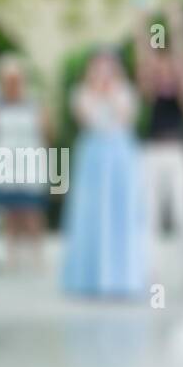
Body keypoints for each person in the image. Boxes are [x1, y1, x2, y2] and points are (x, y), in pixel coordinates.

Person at [60, 51, 147, 298]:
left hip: (119, 155)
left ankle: (122, 276)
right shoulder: (81, 92)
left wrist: (111, 94)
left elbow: (125, 119)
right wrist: (98, 92)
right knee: (91, 212)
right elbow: (86, 119)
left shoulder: (125, 91)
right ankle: (89, 277)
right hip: (93, 155)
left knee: (121, 212)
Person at [134, 0, 183, 287]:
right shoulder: (150, 87)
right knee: (151, 215)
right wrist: (143, 22)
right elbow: (143, 56)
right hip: (152, 152)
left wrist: (177, 24)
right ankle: (152, 271)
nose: (162, 68)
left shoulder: (182, 85)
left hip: (178, 152)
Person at [0, 56, 50, 270]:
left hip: (29, 159)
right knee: (10, 210)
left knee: (32, 210)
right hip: (5, 161)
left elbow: (47, 131)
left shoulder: (34, 101)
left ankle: (37, 255)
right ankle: (12, 256)